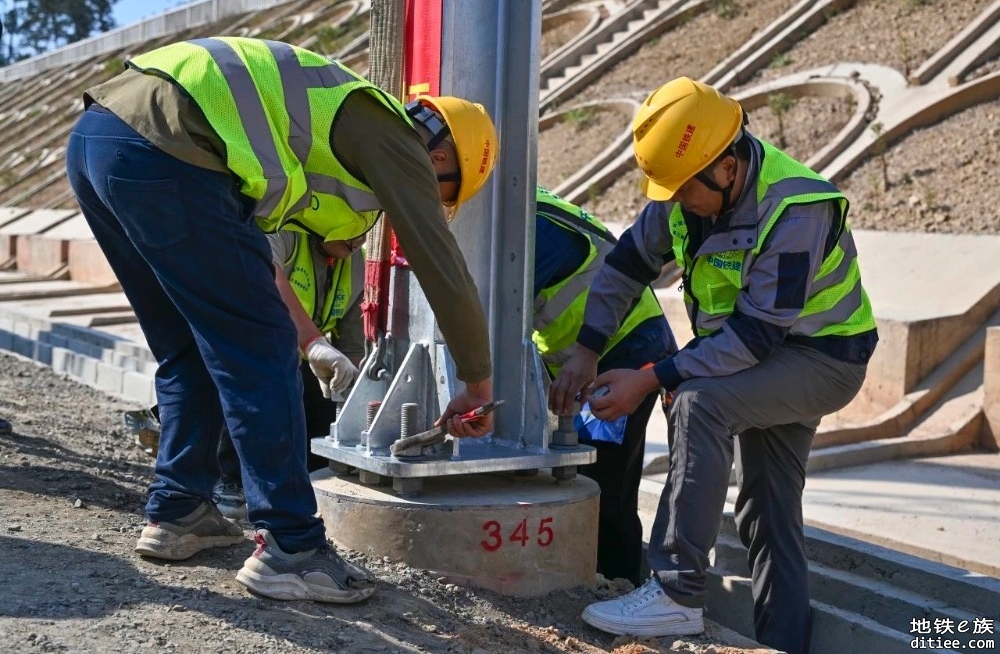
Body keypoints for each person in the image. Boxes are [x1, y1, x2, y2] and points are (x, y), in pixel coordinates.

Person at [65, 36, 499, 605]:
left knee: (188, 345)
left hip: (100, 138)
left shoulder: (325, 120)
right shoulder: (396, 141)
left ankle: (179, 509)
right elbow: (441, 264)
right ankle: (292, 548)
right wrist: (478, 380)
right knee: (264, 347)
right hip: (167, 150)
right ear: (439, 158)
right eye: (442, 192)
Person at [549, 77, 877, 653]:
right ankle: (784, 644)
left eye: (683, 190)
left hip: (822, 357)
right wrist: (588, 348)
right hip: (768, 351)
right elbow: (626, 264)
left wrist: (655, 377)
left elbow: (756, 336)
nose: (675, 201)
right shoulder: (687, 190)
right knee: (768, 513)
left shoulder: (796, 208)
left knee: (701, 403)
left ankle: (676, 593)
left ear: (726, 167)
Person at [532, 187, 675, 586]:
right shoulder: (525, 211)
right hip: (598, 352)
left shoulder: (530, 231)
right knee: (590, 476)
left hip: (626, 351)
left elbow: (494, 319)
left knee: (603, 485)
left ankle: (617, 584)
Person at [213, 230, 367, 520]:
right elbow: (268, 276)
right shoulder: (284, 236)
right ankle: (228, 479)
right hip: (245, 350)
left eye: (365, 228)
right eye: (352, 224)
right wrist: (314, 343)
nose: (358, 237)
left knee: (322, 409)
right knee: (254, 396)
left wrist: (354, 395)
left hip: (299, 361)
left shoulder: (355, 264)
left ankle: (305, 484)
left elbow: (352, 348)